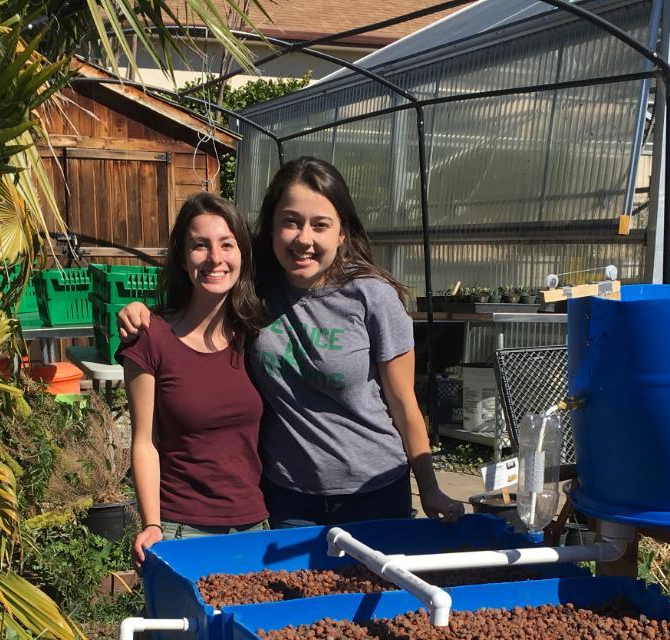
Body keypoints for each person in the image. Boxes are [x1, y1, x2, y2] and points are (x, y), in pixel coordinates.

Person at [118, 157, 463, 526]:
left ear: (342, 233)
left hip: (373, 492)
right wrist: (143, 312)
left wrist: (428, 485)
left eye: (320, 225)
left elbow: (403, 402)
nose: (304, 239)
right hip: (288, 497)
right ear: (271, 229)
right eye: (291, 222)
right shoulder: (254, 293)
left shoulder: (371, 297)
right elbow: (202, 294)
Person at [121, 192, 267, 571]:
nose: (215, 259)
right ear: (183, 258)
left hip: (254, 527)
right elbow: (144, 441)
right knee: (183, 632)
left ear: (242, 255)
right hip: (182, 529)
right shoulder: (151, 337)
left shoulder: (256, 337)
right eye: (200, 246)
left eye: (226, 245)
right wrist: (151, 523)